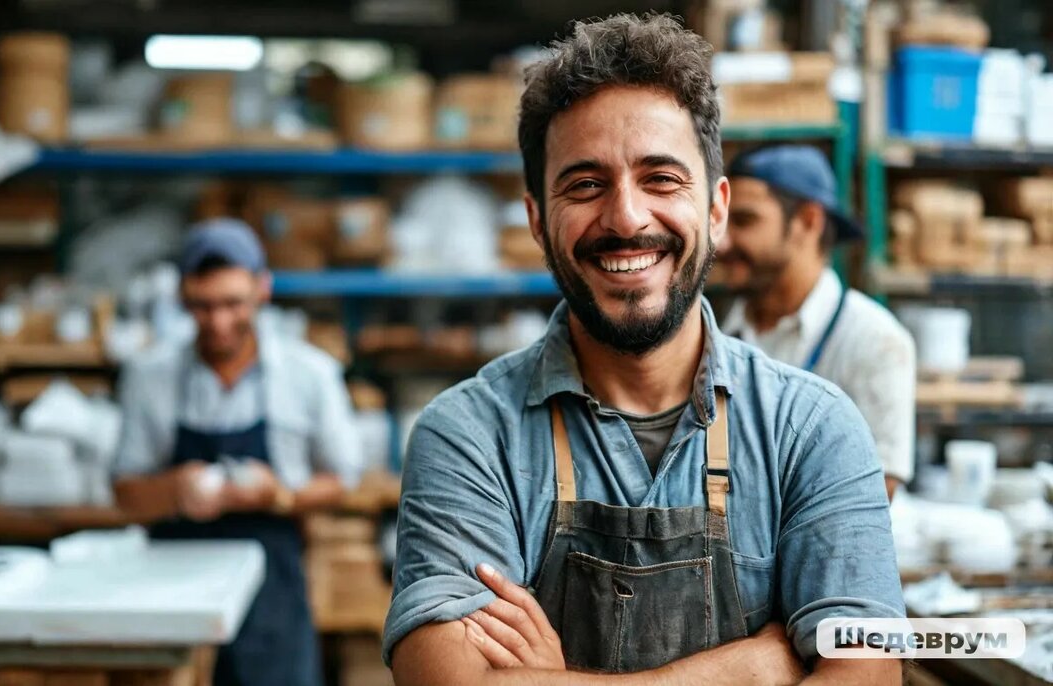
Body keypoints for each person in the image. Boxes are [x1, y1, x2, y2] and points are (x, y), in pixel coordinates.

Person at [385, 13, 904, 686]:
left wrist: (552, 677)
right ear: (539, 221)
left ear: (716, 209)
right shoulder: (467, 435)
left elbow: (867, 675)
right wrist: (753, 667)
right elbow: (447, 680)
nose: (627, 218)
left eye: (661, 178)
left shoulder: (813, 428)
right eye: (585, 184)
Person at [112, 218, 363, 686]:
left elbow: (343, 482)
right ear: (183, 296)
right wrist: (174, 490)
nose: (219, 322)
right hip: (171, 595)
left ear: (262, 290)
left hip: (273, 595)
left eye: (233, 304)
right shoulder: (150, 376)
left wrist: (277, 497)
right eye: (203, 306)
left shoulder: (309, 375)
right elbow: (126, 492)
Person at [716, 145, 916, 499]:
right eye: (723, 221)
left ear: (808, 221)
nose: (723, 241)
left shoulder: (874, 341)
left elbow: (872, 496)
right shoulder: (715, 333)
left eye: (745, 220)